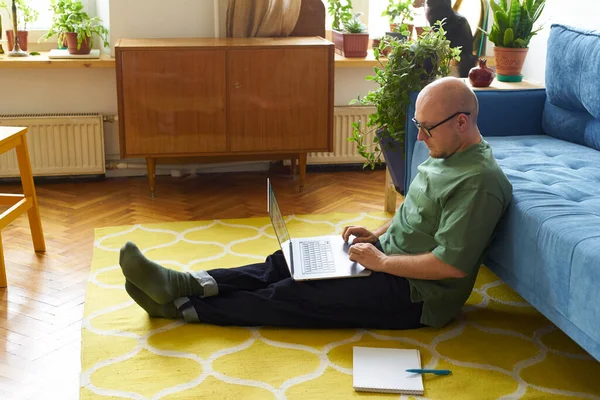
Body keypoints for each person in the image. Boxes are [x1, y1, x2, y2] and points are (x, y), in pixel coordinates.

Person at [119, 77, 513, 330]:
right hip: (386, 260)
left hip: (414, 296)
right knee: (287, 261)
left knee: (295, 295)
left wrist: (381, 262)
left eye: (427, 129)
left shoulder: (478, 183)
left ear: (462, 122)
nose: (421, 138)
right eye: (418, 127)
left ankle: (180, 308)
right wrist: (374, 235)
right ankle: (183, 283)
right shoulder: (445, 152)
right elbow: (416, 216)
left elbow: (449, 264)